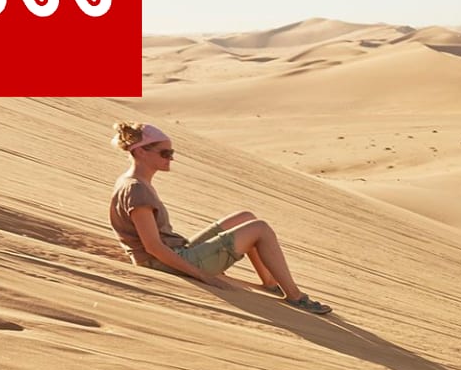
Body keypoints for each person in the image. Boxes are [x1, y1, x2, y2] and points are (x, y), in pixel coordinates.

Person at [107, 122, 332, 314]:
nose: (171, 158)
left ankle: (271, 283)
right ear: (140, 152)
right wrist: (203, 276)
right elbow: (153, 247)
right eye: (165, 153)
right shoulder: (136, 190)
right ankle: (294, 295)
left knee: (245, 217)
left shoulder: (133, 182)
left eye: (172, 153)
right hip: (163, 264)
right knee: (259, 229)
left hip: (174, 253)